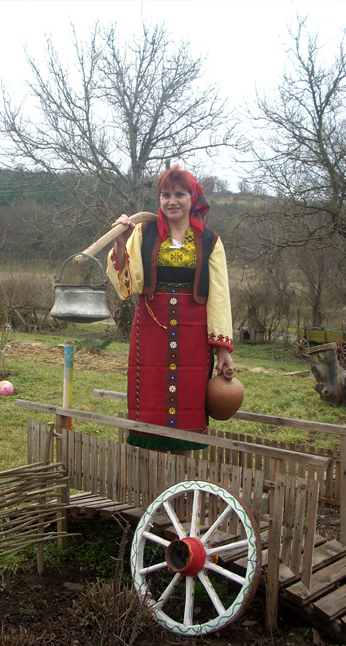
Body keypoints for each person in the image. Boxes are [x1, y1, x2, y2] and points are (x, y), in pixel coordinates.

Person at [107, 165, 233, 452]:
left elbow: (219, 295)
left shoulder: (210, 240)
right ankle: (149, 468)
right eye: (166, 195)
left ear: (193, 198)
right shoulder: (144, 232)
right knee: (150, 393)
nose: (172, 201)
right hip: (151, 327)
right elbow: (129, 284)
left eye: (179, 194)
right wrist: (121, 241)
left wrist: (222, 348)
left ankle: (183, 468)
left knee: (189, 395)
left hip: (195, 333)